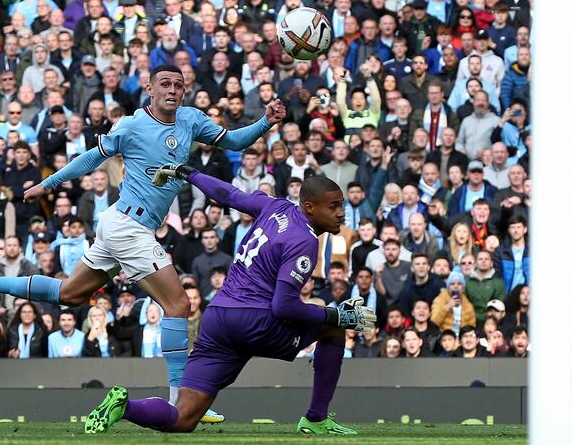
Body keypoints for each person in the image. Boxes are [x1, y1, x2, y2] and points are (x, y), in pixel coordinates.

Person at [0, 64, 286, 420]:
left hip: (122, 225)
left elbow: (233, 140)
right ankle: (181, 402)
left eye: (178, 85)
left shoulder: (190, 120)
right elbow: (91, 159)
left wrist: (266, 121)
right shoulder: (131, 125)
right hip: (128, 226)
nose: (172, 90)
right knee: (178, 306)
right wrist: (46, 185)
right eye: (165, 84)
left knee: (71, 295)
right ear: (149, 89)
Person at [84, 170, 375, 435]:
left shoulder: (276, 207)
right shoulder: (305, 241)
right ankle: (316, 419)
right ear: (310, 207)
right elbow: (283, 307)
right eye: (334, 206)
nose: (341, 213)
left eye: (341, 206)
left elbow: (229, 195)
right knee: (332, 330)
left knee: (184, 418)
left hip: (218, 317)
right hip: (254, 321)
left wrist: (190, 173)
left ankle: (125, 407)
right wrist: (334, 315)